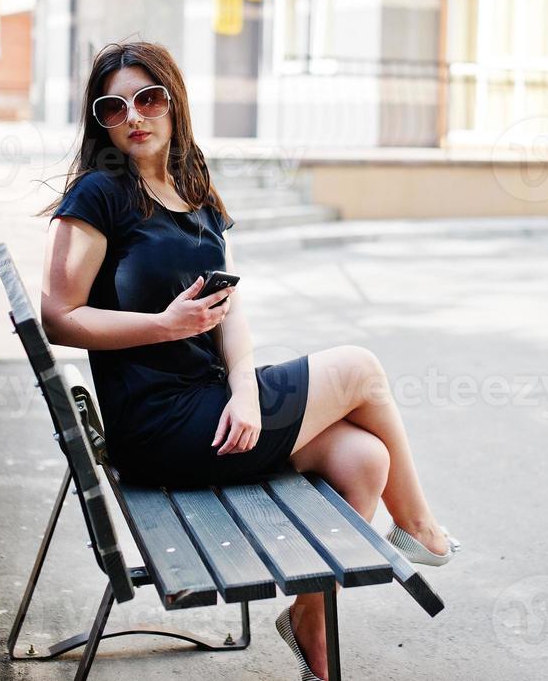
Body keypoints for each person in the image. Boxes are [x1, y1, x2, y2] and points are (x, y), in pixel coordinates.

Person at [40, 40, 459, 679]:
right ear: (99, 120)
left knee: (365, 460)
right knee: (359, 370)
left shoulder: (192, 188)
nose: (134, 116)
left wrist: (244, 388)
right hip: (161, 428)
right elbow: (58, 317)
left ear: (174, 102)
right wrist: (162, 326)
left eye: (148, 98)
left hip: (214, 408)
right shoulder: (100, 195)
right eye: (113, 106)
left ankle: (308, 623)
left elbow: (226, 306)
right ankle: (420, 527)